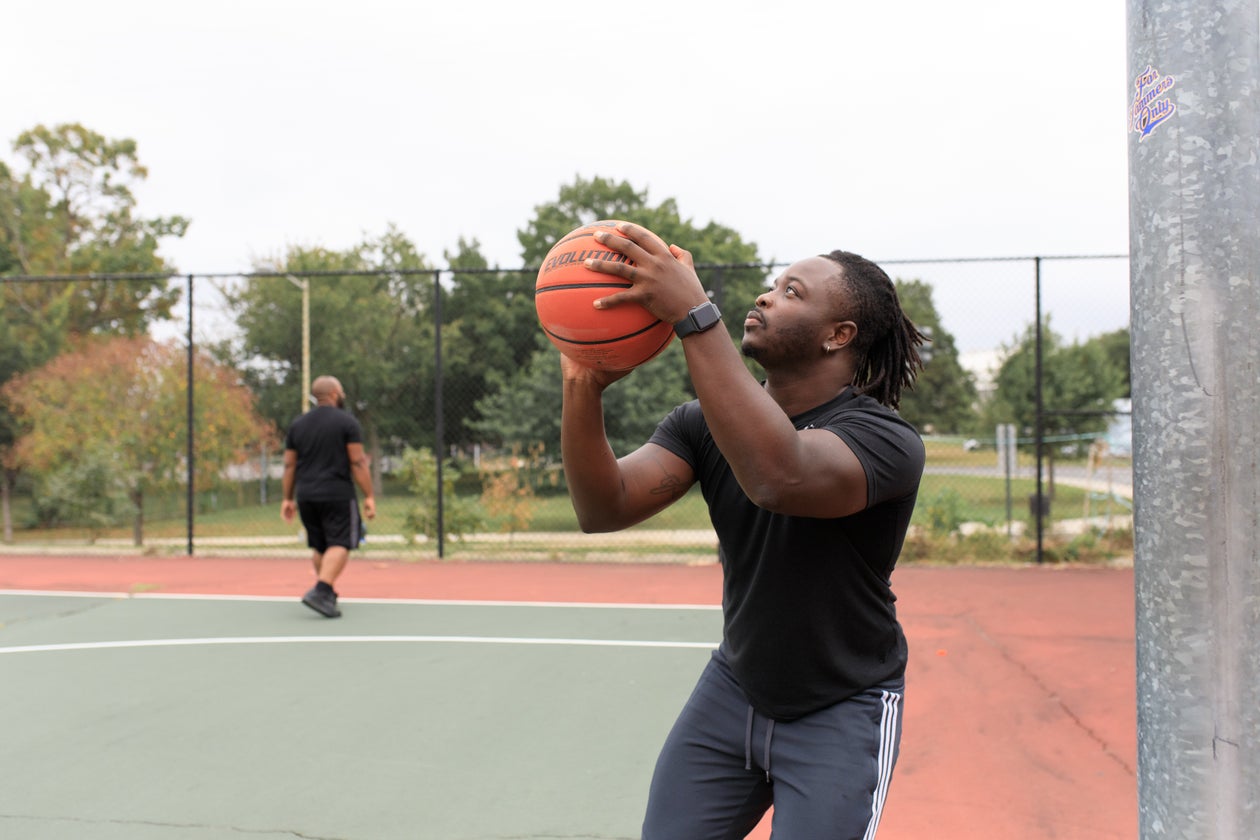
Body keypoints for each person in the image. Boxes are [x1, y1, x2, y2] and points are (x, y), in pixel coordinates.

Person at [559, 223, 927, 840]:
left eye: (792, 292)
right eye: (771, 286)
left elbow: (779, 476)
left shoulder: (884, 440)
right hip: (735, 688)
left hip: (843, 704)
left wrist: (695, 316)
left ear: (838, 335)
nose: (765, 296)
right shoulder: (699, 426)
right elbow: (603, 507)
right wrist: (582, 383)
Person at [281, 375, 376, 618]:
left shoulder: (298, 425)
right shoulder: (347, 422)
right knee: (341, 543)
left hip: (306, 495)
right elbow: (357, 461)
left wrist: (287, 498)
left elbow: (289, 465)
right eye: (341, 391)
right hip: (337, 493)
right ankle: (321, 590)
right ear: (334, 393)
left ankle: (327, 595)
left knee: (320, 546)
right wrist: (369, 495)